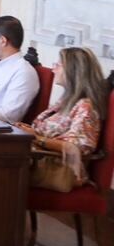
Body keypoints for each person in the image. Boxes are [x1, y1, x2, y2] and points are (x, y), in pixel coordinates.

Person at [17, 47, 109, 192]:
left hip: (57, 168)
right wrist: (29, 131)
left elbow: (77, 147)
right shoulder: (66, 101)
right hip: (39, 159)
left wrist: (36, 138)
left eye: (58, 65)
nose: (53, 70)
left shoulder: (85, 107)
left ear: (73, 71)